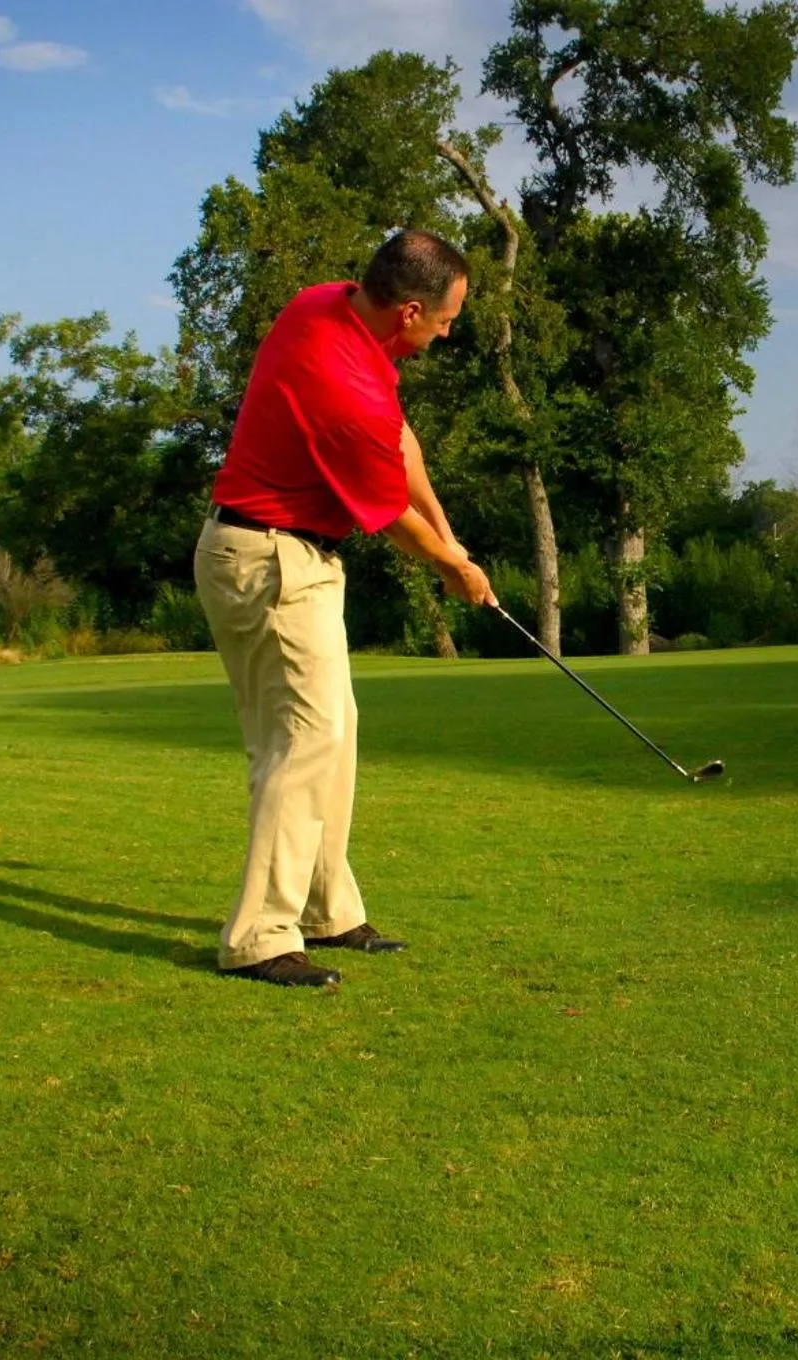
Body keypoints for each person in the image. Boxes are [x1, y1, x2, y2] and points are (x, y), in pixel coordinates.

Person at [195, 230, 495, 989]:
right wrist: (451, 570)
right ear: (412, 311)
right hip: (265, 560)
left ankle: (327, 906)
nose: (449, 332)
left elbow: (400, 442)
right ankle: (260, 935)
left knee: (333, 733)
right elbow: (392, 516)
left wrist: (455, 541)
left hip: (292, 557)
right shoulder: (341, 384)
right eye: (447, 319)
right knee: (303, 739)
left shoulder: (326, 305)